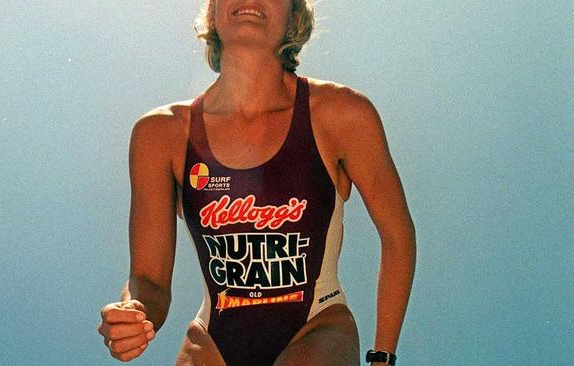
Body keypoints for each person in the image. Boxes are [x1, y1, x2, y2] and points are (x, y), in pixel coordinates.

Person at [97, 1, 416, 365]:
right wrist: (135, 314)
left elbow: (397, 236)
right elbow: (148, 280)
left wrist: (382, 356)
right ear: (214, 11)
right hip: (211, 341)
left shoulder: (341, 114)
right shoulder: (159, 134)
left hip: (316, 328)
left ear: (295, 17)